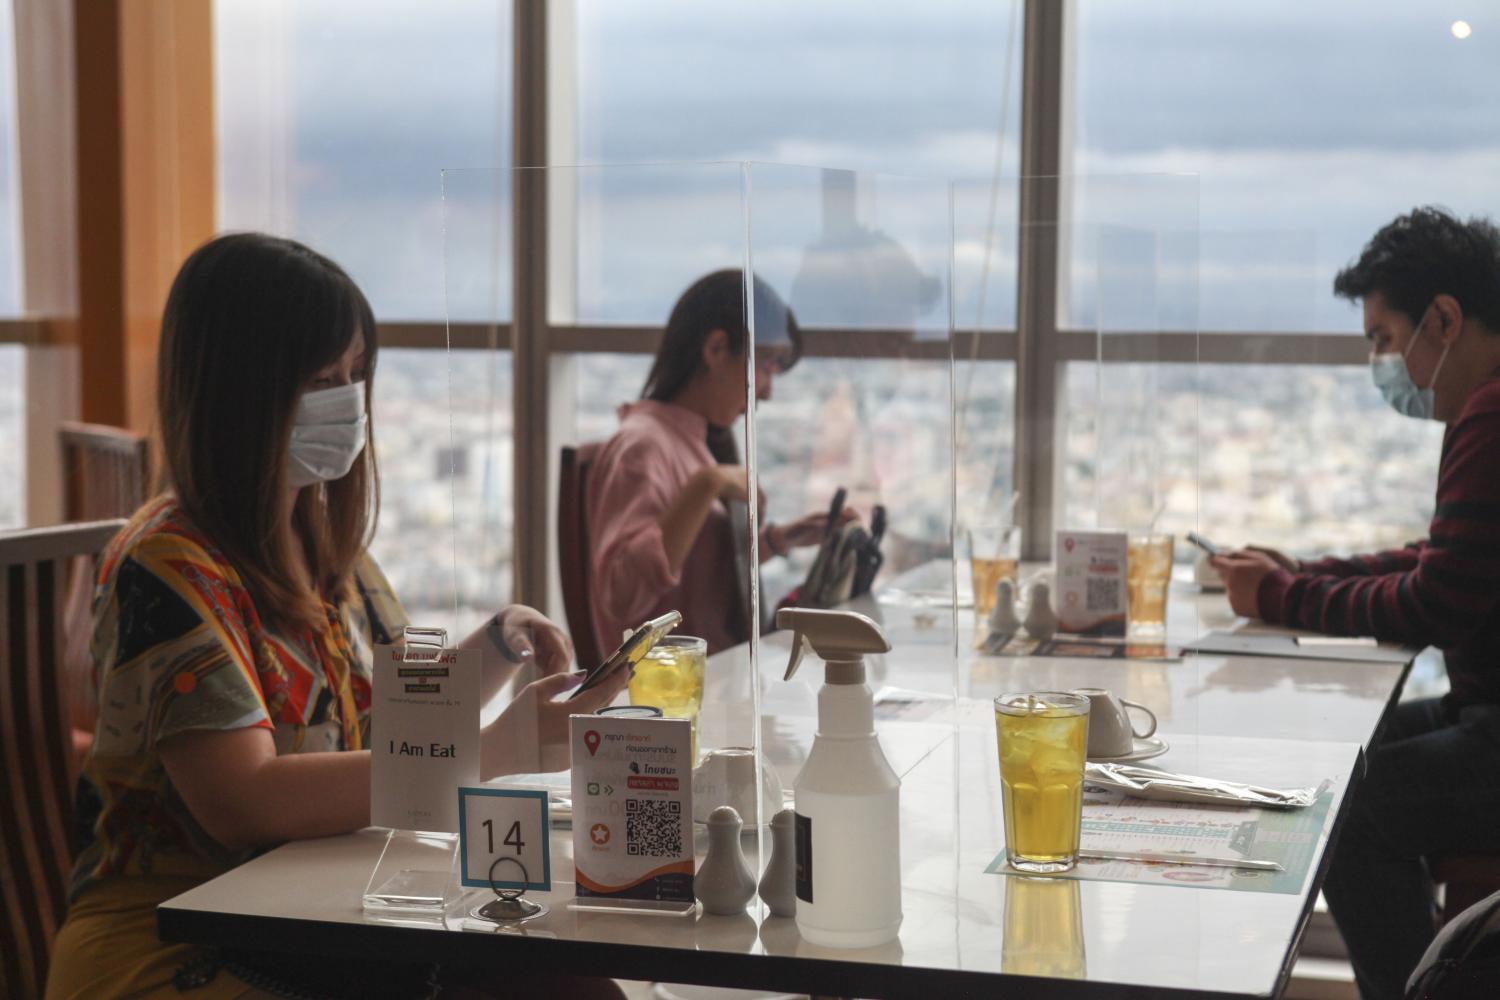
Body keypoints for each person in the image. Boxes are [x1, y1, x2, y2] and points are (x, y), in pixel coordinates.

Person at [46, 233, 628, 1000]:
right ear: (237, 391)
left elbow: (394, 713)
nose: (348, 400)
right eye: (323, 378)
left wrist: (496, 648)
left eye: (356, 375)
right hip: (175, 933)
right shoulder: (165, 564)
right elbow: (246, 802)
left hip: (319, 909)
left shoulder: (326, 549)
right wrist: (490, 750)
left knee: (566, 983)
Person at [1211, 207, 1500, 1000]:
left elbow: (1436, 601)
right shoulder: (1483, 407)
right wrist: (1297, 575)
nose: (1381, 362)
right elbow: (1440, 559)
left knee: (1351, 811)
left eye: (1382, 338)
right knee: (1347, 746)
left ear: (1443, 319)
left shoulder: (1491, 412)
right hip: (1484, 709)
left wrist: (1281, 593)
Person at [586, 270, 855, 656]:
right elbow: (622, 597)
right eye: (767, 365)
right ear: (715, 350)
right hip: (678, 695)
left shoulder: (685, 440)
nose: (767, 390)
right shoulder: (643, 448)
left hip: (708, 680)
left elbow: (692, 572)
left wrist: (780, 540)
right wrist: (707, 484)